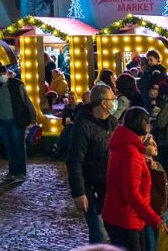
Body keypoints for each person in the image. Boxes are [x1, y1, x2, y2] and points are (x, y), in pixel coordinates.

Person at [101, 107, 164, 251]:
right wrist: (155, 220)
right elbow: (131, 192)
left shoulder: (127, 147)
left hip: (125, 217)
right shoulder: (131, 151)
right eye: (148, 122)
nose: (150, 126)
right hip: (126, 218)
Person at [66, 83, 118, 246]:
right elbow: (74, 161)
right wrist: (79, 192)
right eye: (112, 99)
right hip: (91, 187)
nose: (114, 102)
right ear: (103, 103)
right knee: (99, 233)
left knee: (114, 232)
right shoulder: (83, 125)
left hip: (110, 186)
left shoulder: (113, 122)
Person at [0, 62, 34, 182]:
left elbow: (26, 101)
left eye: (2, 74)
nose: (0, 76)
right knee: (9, 148)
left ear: (6, 73)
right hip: (2, 122)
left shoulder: (17, 84)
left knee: (18, 147)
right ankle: (12, 171)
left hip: (16, 121)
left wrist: (31, 117)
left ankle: (21, 172)